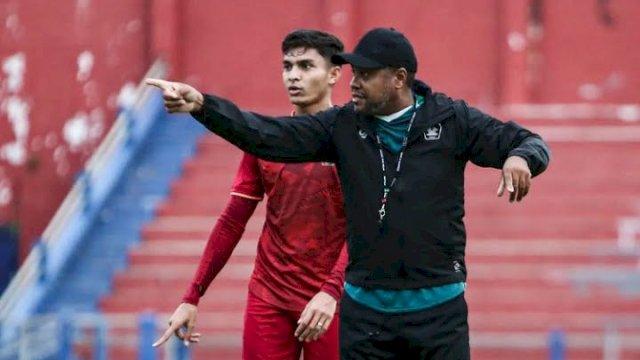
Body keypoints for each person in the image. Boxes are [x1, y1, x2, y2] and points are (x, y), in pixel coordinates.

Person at [147, 27, 551, 360]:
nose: (353, 83)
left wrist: (519, 159)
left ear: (398, 78)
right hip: (365, 316)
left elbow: (527, 141)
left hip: (439, 315)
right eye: (351, 73)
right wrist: (202, 106)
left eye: (364, 75)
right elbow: (267, 135)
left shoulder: (451, 120)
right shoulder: (341, 126)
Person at [151, 29, 348, 360]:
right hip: (269, 297)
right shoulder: (265, 141)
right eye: (287, 66)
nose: (293, 76)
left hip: (332, 302)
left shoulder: (355, 142)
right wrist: (192, 296)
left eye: (305, 66)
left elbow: (367, 225)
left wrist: (332, 291)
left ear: (334, 74)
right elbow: (231, 221)